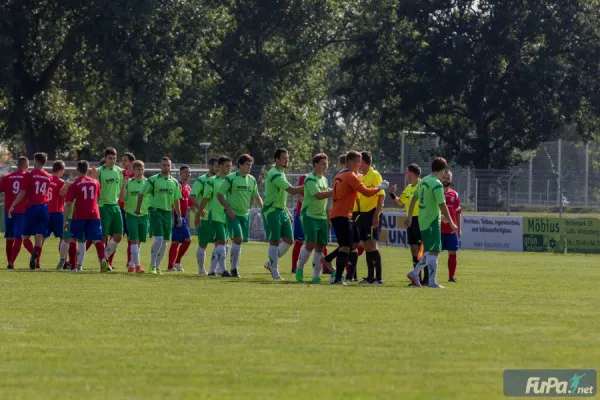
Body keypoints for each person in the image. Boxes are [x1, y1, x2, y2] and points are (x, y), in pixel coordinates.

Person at [329, 151, 389, 285]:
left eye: (361, 161)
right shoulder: (351, 175)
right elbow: (367, 193)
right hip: (344, 214)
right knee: (346, 246)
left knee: (355, 243)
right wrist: (380, 187)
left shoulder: (339, 175)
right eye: (357, 161)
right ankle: (338, 278)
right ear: (350, 162)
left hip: (340, 213)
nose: (359, 164)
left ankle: (333, 266)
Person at [406, 157, 457, 289]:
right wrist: (451, 223)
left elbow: (414, 199)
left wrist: (410, 216)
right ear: (443, 169)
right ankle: (432, 282)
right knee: (434, 251)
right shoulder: (437, 184)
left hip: (423, 221)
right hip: (432, 221)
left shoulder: (423, 181)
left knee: (429, 251)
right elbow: (442, 204)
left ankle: (414, 273)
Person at [217, 154, 263, 278]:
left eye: (251, 165)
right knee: (238, 238)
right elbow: (219, 195)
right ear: (240, 165)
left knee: (239, 242)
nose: (249, 167)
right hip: (233, 214)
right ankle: (233, 269)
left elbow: (256, 195)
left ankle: (231, 268)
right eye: (247, 164)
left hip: (245, 215)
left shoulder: (252, 179)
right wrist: (228, 209)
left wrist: (263, 208)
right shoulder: (230, 178)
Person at [262, 148, 304, 280]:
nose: (287, 160)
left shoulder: (282, 173)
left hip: (281, 210)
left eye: (287, 158)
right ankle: (275, 271)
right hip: (272, 211)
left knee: (289, 240)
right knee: (274, 241)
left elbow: (280, 195)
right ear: (277, 160)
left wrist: (286, 210)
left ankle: (270, 263)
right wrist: (309, 185)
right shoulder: (275, 174)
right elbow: (291, 190)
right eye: (284, 158)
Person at [136, 156, 183, 275]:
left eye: (168, 165)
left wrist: (179, 216)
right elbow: (141, 194)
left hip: (167, 213)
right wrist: (138, 209)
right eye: (163, 165)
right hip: (155, 211)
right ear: (160, 166)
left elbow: (176, 199)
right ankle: (152, 265)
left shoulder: (175, 182)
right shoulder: (152, 180)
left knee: (165, 241)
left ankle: (157, 266)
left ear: (171, 166)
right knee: (159, 238)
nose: (166, 167)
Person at [8, 152, 52, 269]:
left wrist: (13, 204)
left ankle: (33, 253)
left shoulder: (30, 175)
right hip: (44, 208)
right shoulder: (48, 176)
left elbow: (22, 193)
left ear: (36, 161)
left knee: (24, 236)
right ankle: (37, 263)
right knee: (39, 237)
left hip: (31, 207)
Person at [63, 160, 109, 272]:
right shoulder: (96, 183)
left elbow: (69, 203)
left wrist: (65, 220)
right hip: (94, 214)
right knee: (97, 240)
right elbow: (98, 197)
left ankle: (73, 266)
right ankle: (103, 260)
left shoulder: (74, 184)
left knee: (73, 239)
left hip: (79, 215)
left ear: (78, 170)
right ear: (87, 170)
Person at [295, 154, 333, 283]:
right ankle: (299, 268)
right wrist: (334, 192)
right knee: (310, 244)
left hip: (322, 216)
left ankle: (316, 276)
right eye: (323, 163)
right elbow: (318, 195)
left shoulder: (325, 180)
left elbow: (326, 201)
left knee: (320, 247)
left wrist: (328, 218)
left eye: (326, 163)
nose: (325, 166)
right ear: (315, 164)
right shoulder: (309, 179)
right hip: (309, 215)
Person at [196, 156, 233, 277]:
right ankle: (222, 270)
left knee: (222, 242)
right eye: (227, 166)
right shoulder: (211, 181)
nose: (229, 168)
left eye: (230, 166)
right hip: (215, 216)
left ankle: (212, 271)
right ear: (220, 166)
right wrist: (198, 214)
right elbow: (205, 199)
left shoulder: (230, 181)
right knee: (221, 242)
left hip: (225, 216)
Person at [389, 163, 426, 284]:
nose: (405, 174)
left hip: (420, 219)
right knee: (414, 250)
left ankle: (426, 278)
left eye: (406, 172)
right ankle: (417, 278)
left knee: (422, 250)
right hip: (410, 221)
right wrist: (392, 194)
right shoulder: (409, 187)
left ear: (411, 173)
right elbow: (400, 203)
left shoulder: (422, 185)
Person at [355, 151, 385, 284]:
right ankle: (370, 277)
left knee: (373, 245)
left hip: (372, 213)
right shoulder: (361, 177)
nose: (357, 163)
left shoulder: (375, 175)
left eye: (358, 160)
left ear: (362, 161)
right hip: (363, 214)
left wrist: (376, 215)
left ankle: (378, 278)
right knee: (367, 246)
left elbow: (381, 195)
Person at [91, 148, 124, 271]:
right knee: (104, 236)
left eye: (115, 158)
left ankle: (104, 258)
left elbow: (120, 188)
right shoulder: (99, 171)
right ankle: (104, 263)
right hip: (103, 206)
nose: (113, 160)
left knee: (118, 236)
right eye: (110, 158)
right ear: (105, 158)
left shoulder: (119, 171)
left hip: (115, 206)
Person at [0, 156, 34, 269]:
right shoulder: (28, 177)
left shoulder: (6, 177)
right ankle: (11, 262)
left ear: (17, 165)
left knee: (9, 237)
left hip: (8, 211)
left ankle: (10, 262)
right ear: (26, 166)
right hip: (22, 211)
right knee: (19, 237)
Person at [119, 160, 150, 273]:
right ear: (134, 170)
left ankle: (131, 264)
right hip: (131, 214)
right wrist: (123, 185)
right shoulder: (129, 183)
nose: (140, 171)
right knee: (134, 240)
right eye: (138, 169)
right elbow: (122, 199)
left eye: (142, 169)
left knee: (139, 241)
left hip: (144, 215)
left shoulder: (147, 183)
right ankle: (137, 266)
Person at [190, 157, 219, 275]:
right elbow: (192, 196)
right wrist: (200, 210)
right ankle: (201, 270)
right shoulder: (201, 180)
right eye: (216, 166)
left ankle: (215, 269)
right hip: (205, 218)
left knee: (220, 243)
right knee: (203, 243)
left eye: (219, 166)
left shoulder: (222, 180)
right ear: (210, 167)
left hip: (218, 217)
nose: (218, 168)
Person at [167, 165, 194, 272]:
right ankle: (172, 265)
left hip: (182, 217)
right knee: (181, 241)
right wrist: (174, 218)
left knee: (180, 241)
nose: (188, 174)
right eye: (186, 172)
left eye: (189, 172)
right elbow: (173, 202)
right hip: (177, 216)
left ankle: (176, 263)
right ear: (180, 173)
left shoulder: (188, 188)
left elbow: (190, 204)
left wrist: (199, 212)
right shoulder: (178, 186)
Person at [46, 160, 70, 269]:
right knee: (64, 238)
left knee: (41, 237)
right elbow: (65, 196)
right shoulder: (61, 182)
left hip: (46, 211)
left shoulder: (47, 179)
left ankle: (36, 260)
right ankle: (64, 262)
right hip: (57, 212)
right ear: (60, 170)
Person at [441, 170, 462, 282]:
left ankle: (451, 277)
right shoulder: (436, 192)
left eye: (448, 178)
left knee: (453, 253)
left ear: (451, 179)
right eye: (444, 178)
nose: (445, 180)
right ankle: (427, 277)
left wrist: (459, 229)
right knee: (432, 254)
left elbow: (458, 212)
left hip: (451, 230)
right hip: (438, 229)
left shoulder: (455, 194)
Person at [117, 151, 136, 269]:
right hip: (118, 209)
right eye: (122, 160)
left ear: (131, 162)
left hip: (130, 211)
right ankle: (107, 261)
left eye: (125, 160)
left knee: (131, 238)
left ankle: (130, 263)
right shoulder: (119, 174)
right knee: (115, 236)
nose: (123, 162)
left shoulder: (137, 176)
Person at [290, 173, 308, 273]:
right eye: (323, 163)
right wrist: (308, 206)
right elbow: (299, 194)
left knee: (320, 243)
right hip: (302, 214)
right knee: (299, 242)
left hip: (317, 215)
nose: (325, 166)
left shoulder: (322, 179)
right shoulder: (305, 177)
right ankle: (294, 267)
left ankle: (325, 268)